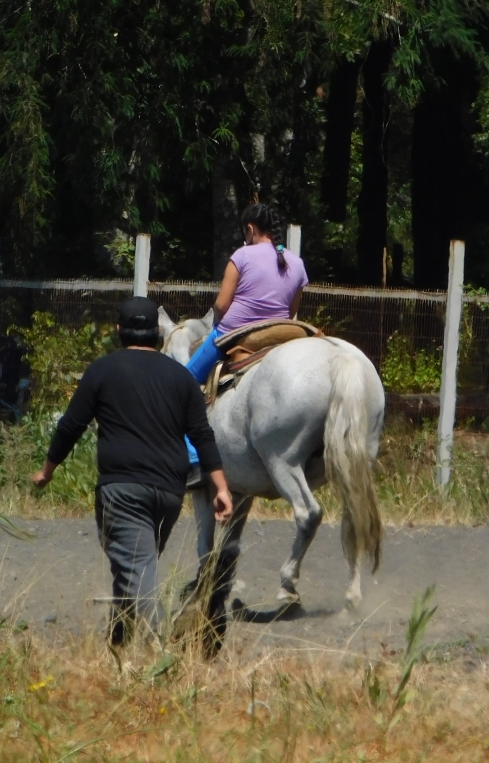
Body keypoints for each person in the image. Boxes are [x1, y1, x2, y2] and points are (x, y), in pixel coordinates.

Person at [30, 296, 234, 645]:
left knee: (138, 569)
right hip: (168, 494)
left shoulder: (103, 370)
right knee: (135, 565)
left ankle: (160, 653)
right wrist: (221, 488)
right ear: (157, 332)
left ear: (119, 331)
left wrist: (47, 470)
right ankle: (119, 642)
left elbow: (70, 426)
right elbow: (202, 434)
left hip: (122, 490)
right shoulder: (182, 379)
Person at [185, 202, 309, 384]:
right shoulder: (297, 263)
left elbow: (221, 305)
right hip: (280, 330)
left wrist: (220, 321)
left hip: (234, 331)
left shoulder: (242, 255)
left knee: (184, 380)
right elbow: (291, 313)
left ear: (250, 229)